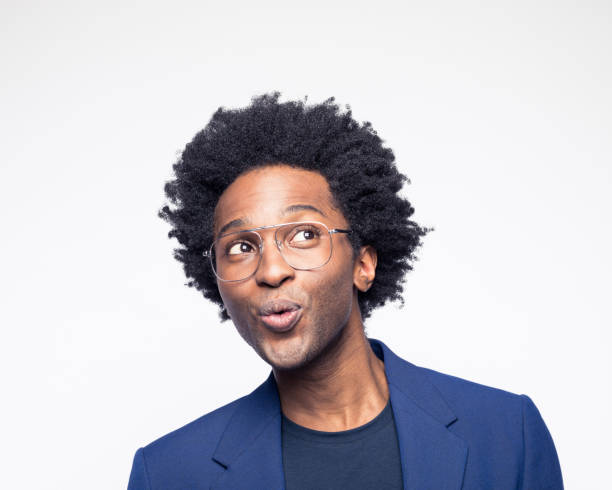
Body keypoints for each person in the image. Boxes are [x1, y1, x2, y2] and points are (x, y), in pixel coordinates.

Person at [127, 93, 563, 489]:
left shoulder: (508, 434)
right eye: (241, 247)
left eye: (303, 235)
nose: (271, 270)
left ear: (363, 264)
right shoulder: (169, 474)